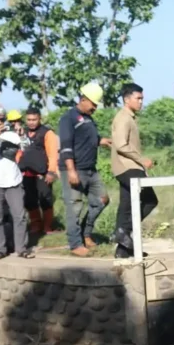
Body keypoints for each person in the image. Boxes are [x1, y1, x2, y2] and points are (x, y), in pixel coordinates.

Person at [58, 83, 112, 257]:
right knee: (74, 207)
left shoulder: (89, 118)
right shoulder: (68, 118)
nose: (95, 107)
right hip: (74, 169)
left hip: (91, 169)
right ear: (83, 99)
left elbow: (90, 139)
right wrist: (71, 170)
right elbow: (66, 146)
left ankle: (85, 232)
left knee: (102, 199)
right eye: (93, 104)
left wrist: (102, 141)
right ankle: (75, 244)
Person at [111, 83, 158, 259]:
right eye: (138, 98)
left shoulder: (129, 117)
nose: (141, 102)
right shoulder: (123, 117)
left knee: (127, 204)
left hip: (127, 166)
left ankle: (123, 250)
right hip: (127, 166)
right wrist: (141, 160)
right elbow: (121, 145)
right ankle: (123, 231)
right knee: (150, 200)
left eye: (142, 99)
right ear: (126, 99)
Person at [0, 105, 33, 260]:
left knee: (20, 216)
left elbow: (26, 147)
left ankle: (22, 248)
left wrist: (21, 136)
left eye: (2, 119)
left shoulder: (10, 132)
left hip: (13, 180)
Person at [17, 107, 59, 236]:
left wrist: (51, 172)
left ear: (39, 119)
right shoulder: (21, 133)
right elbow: (18, 151)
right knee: (29, 200)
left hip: (43, 173)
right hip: (26, 173)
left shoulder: (47, 133)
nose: (31, 122)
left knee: (45, 199)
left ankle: (47, 226)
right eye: (29, 120)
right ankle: (35, 224)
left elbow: (53, 154)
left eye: (34, 119)